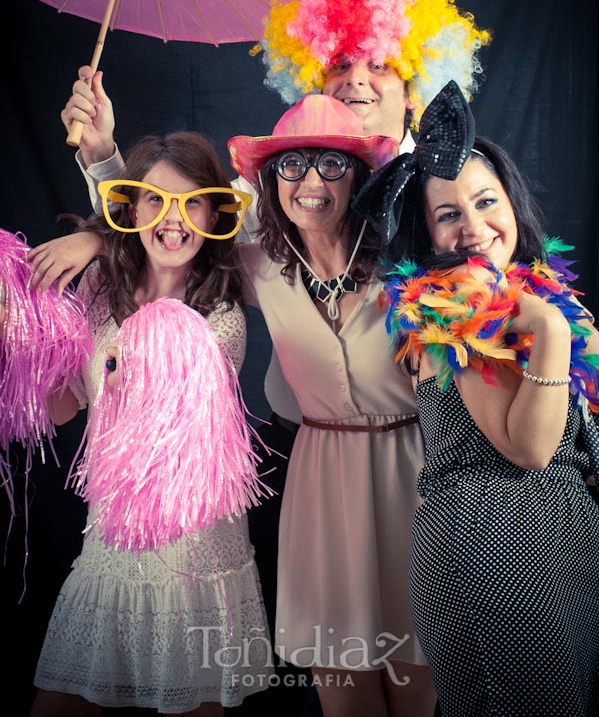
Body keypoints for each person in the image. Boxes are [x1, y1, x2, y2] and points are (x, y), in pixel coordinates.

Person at [29, 94, 438, 716]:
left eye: (332, 164)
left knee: (413, 665)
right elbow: (158, 222)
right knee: (339, 671)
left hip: (396, 473)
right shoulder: (249, 266)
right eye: (291, 166)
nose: (310, 183)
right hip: (277, 486)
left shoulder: (389, 260)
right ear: (272, 181)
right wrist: (88, 227)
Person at [353, 81, 599, 717]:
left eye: (485, 201)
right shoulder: (448, 314)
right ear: (428, 236)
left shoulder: (538, 296)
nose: (475, 227)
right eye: (448, 214)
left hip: (560, 543)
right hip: (493, 552)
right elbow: (532, 448)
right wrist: (548, 333)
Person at [17, 131, 275, 716]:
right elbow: (64, 403)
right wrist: (26, 340)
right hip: (110, 547)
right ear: (131, 208)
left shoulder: (222, 315)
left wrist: (123, 369)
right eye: (156, 200)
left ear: (214, 213)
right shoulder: (99, 293)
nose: (174, 219)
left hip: (191, 556)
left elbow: (172, 432)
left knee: (192, 705)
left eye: (192, 202)